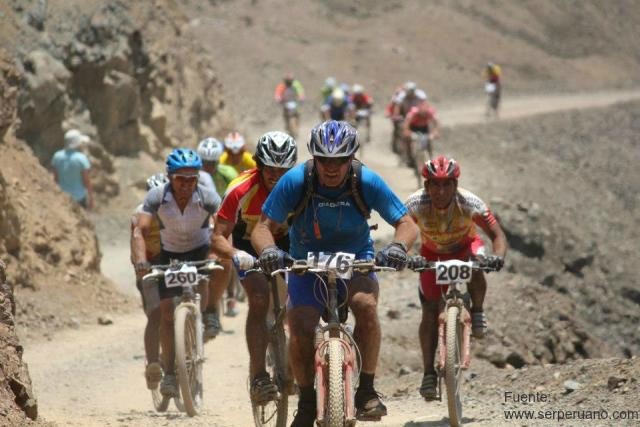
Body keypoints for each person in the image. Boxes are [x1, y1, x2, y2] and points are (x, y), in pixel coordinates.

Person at [251, 120, 418, 426]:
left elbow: (407, 224)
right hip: (306, 262)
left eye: (340, 160)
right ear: (313, 157)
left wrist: (397, 248)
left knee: (366, 307)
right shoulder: (295, 180)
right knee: (300, 326)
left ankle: (366, 390)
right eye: (324, 160)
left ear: (351, 158)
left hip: (356, 259)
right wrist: (270, 252)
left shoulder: (365, 179)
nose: (331, 168)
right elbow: (262, 228)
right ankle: (305, 401)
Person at [403, 156, 507, 400]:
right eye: (434, 185)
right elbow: (402, 231)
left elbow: (497, 234)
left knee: (478, 262)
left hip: (466, 247)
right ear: (426, 185)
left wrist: (498, 256)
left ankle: (478, 309)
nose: (440, 191)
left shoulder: (470, 202)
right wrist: (407, 256)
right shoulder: (415, 203)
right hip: (432, 254)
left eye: (446, 184)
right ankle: (428, 374)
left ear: (455, 185)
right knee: (429, 310)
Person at [211, 131, 297, 406]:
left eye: (283, 170)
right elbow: (217, 237)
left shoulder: (300, 188)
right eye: (270, 169)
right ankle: (259, 375)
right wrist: (236, 254)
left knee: (303, 302)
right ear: (259, 164)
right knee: (259, 299)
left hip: (288, 244)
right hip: (248, 248)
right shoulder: (239, 189)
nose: (276, 175)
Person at [132, 148, 221, 398]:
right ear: (170, 177)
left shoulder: (207, 196)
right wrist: (140, 261)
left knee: (206, 282)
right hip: (169, 254)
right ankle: (169, 373)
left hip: (200, 248)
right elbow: (140, 231)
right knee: (166, 315)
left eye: (192, 179)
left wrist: (216, 252)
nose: (187, 184)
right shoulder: (156, 197)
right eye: (181, 179)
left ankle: (202, 318)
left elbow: (223, 225)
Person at [129, 173, 168, 390]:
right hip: (149, 266)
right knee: (155, 313)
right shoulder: (139, 214)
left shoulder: (177, 212)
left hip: (172, 263)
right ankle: (153, 363)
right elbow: (135, 244)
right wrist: (140, 266)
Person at [198, 136, 243, 318]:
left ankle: (231, 297)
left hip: (226, 214)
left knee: (228, 254)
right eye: (205, 163)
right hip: (204, 214)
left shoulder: (229, 173)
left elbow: (239, 196)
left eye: (212, 162)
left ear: (218, 161)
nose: (208, 166)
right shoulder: (196, 175)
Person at [51, 129, 94, 209]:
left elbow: (55, 179)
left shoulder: (57, 156)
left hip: (62, 197)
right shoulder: (81, 158)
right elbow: (86, 181)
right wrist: (91, 198)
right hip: (79, 198)